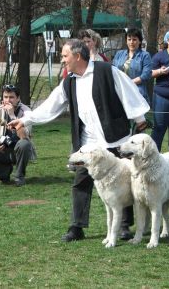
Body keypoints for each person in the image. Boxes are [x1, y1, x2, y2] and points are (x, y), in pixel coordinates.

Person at [8, 39, 150, 242]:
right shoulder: (69, 81)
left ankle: (124, 226)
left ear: (77, 56)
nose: (62, 59)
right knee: (81, 183)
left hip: (116, 139)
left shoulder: (106, 71)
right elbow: (51, 106)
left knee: (124, 181)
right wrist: (24, 119)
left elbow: (129, 92)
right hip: (89, 146)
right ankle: (77, 226)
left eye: (65, 55)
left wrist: (140, 120)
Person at [0, 85, 35, 187]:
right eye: (5, 97)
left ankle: (19, 176)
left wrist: (12, 115)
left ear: (18, 98)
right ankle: (5, 174)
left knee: (24, 144)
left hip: (20, 148)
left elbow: (24, 136)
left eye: (11, 97)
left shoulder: (27, 112)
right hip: (4, 147)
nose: (8, 100)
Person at [112, 28, 152, 102]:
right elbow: (113, 70)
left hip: (137, 92)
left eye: (134, 39)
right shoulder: (119, 54)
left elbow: (146, 75)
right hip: (120, 91)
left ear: (139, 41)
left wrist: (128, 83)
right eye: (129, 39)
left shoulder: (145, 55)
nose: (131, 42)